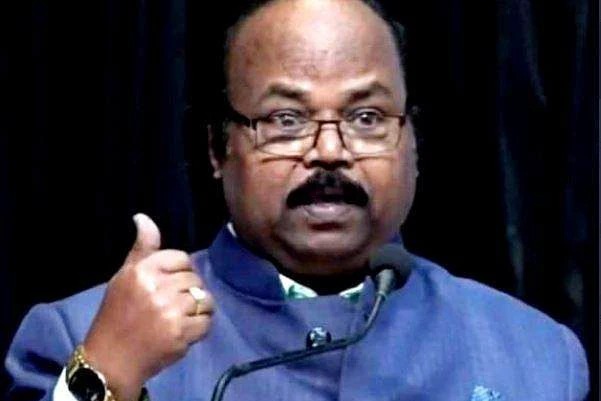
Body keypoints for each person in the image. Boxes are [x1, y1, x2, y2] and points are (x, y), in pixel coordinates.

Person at [5, 0, 589, 400]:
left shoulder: (535, 354)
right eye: (286, 120)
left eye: (366, 117)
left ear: (412, 141)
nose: (330, 151)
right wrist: (108, 374)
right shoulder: (82, 336)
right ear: (217, 148)